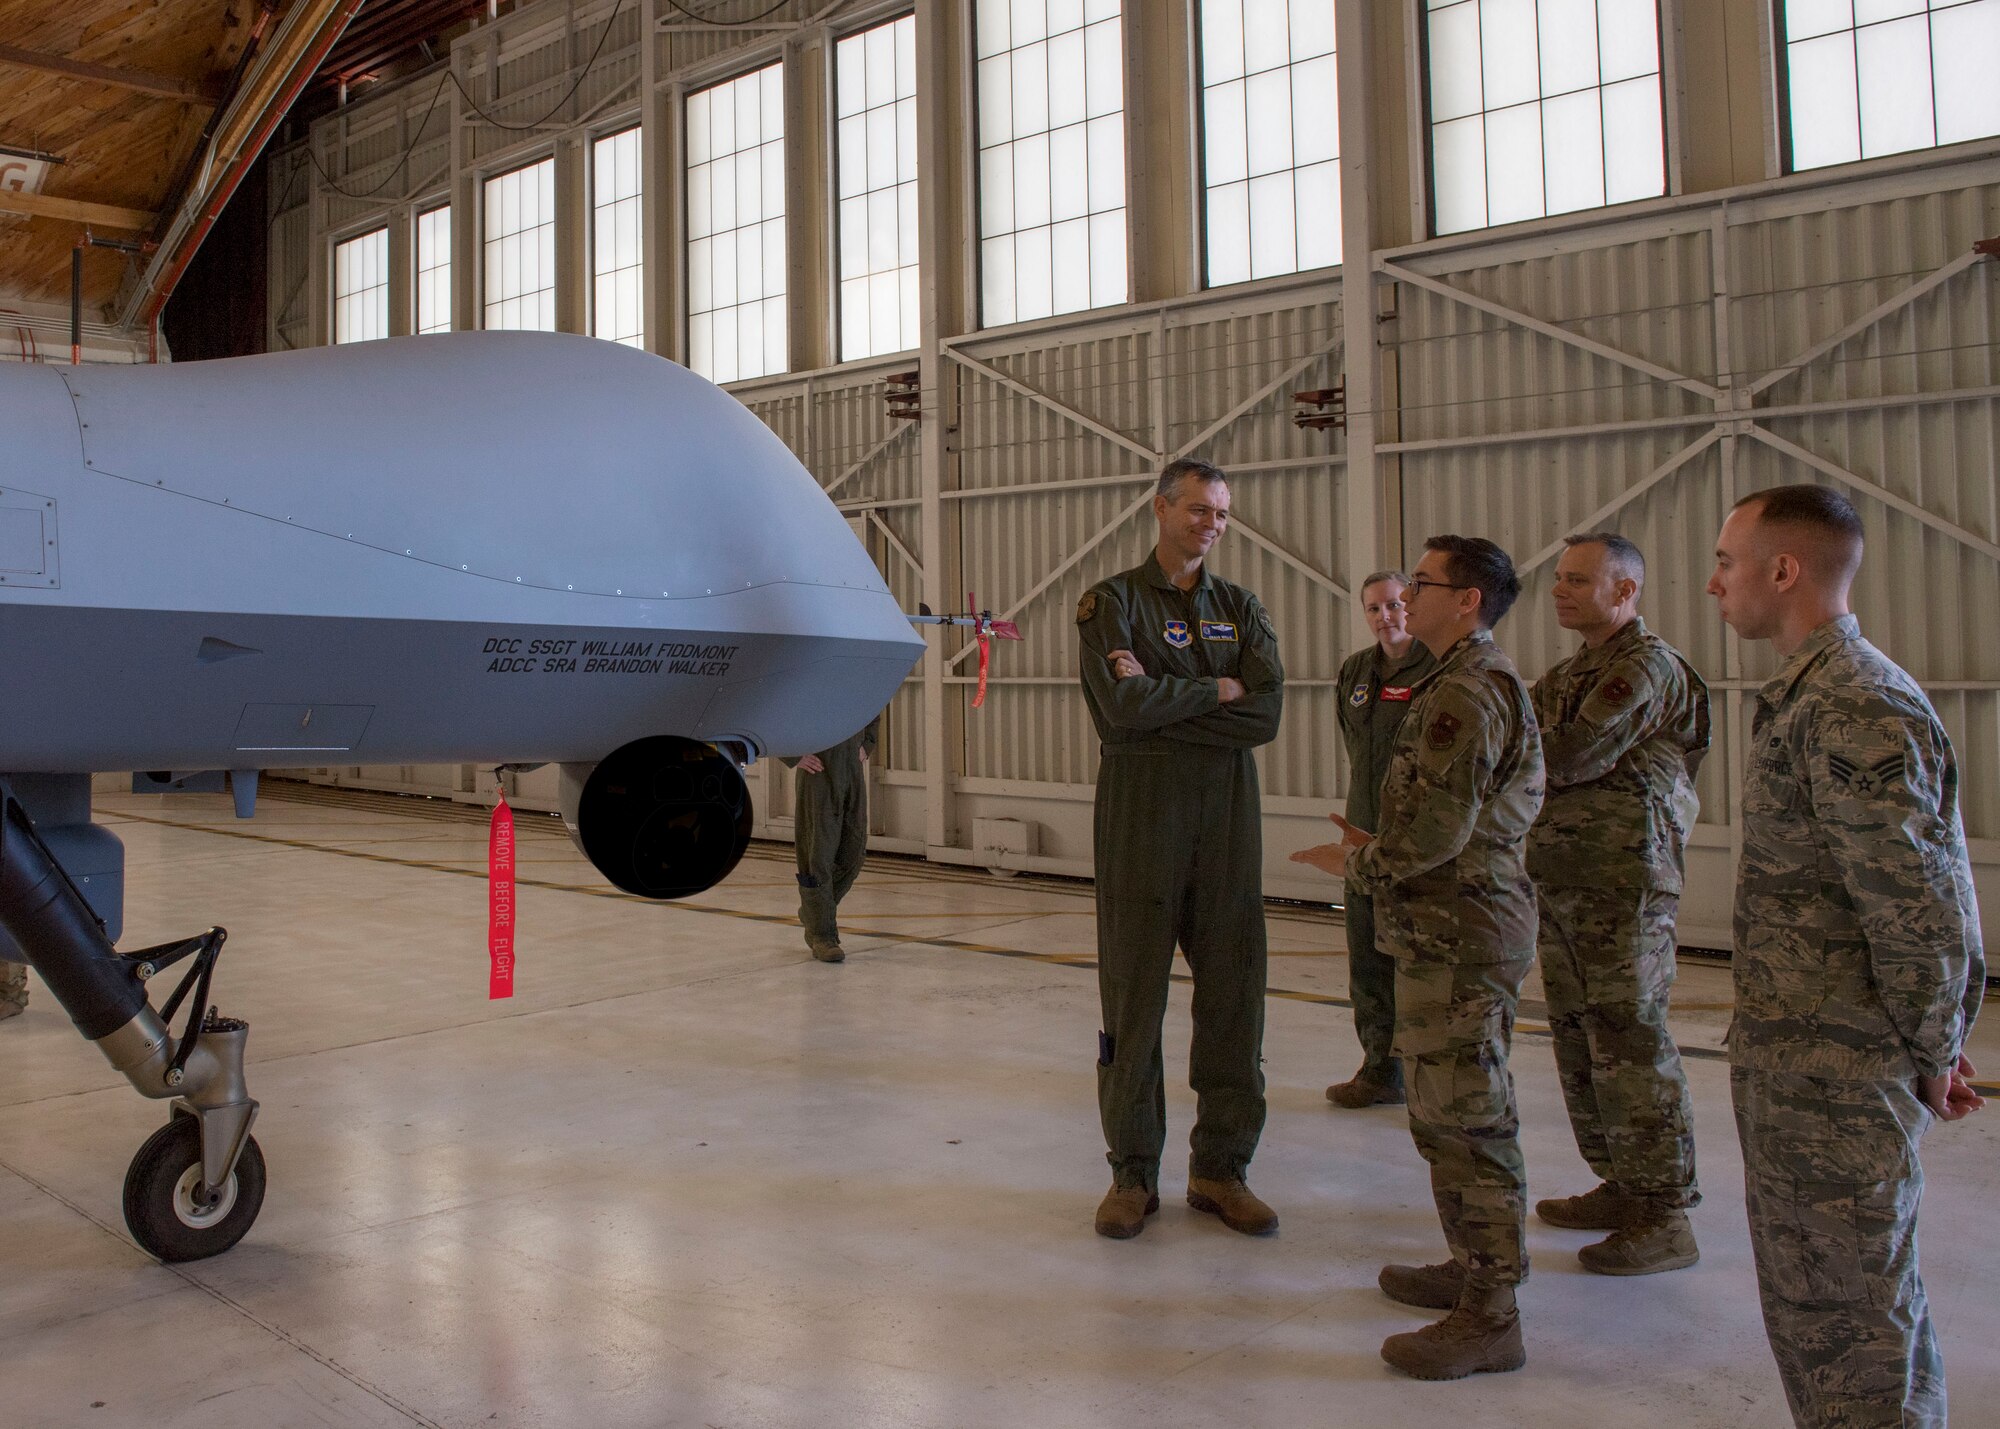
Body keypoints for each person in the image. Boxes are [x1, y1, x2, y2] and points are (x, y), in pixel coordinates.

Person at [1707, 483, 1983, 1427]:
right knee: (1837, 1311)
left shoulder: (1855, 704)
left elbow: (1919, 911)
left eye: (1726, 561)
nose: (1714, 584)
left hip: (1837, 1079)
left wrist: (1932, 1047)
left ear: (1783, 571)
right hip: (1805, 1068)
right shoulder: (1812, 696)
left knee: (1852, 1324)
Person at [1291, 535, 1542, 1381]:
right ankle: (1470, 1267)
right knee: (1444, 1118)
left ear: (1466, 599)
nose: (1411, 595)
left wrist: (1358, 864)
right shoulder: (1454, 681)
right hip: (1449, 929)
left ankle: (1492, 1311)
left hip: (1462, 934)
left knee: (1470, 1122)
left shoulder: (1464, 693)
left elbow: (1439, 832)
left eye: (1425, 583)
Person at [1075, 457, 1284, 1240]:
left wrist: (1176, 696)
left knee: (1235, 992)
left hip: (1227, 810)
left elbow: (1264, 713)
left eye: (1221, 514)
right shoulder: (1112, 603)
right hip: (1141, 807)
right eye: (1198, 509)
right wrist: (1215, 687)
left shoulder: (1240, 605)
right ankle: (1132, 1174)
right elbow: (1120, 708)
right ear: (1161, 508)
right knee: (1134, 996)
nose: (1212, 524)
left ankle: (1221, 1168)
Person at [1529, 533, 1708, 1275]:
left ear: (1625, 590)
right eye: (1558, 578)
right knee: (1580, 1039)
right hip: (1566, 878)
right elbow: (1520, 738)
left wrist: (1517, 748)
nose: (1559, 590)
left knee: (1630, 1039)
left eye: (1577, 579)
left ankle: (1664, 1212)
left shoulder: (1645, 667)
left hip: (1626, 884)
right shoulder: (1572, 670)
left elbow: (1564, 754)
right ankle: (1621, 1181)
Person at [1326, 571, 1435, 1109]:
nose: (1385, 616)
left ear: (1412, 606)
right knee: (1367, 953)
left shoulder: (1436, 668)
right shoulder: (1356, 671)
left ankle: (1426, 1077)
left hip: (1418, 838)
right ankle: (1378, 1068)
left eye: (1394, 605)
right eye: (1373, 608)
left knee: (1417, 959)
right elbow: (1355, 745)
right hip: (1362, 831)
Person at [785, 715, 880, 963]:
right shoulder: (806, 680)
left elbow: (874, 709)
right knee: (818, 856)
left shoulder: (857, 680)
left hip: (852, 770)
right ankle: (822, 936)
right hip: (818, 773)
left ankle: (814, 912)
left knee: (853, 853)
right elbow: (778, 713)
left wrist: (867, 745)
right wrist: (793, 755)